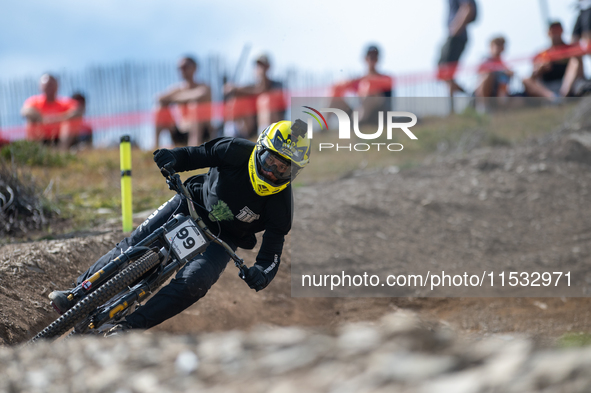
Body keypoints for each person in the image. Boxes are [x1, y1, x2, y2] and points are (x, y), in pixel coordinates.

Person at [48, 120, 311, 333]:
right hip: (191, 203)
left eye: (283, 170)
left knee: (196, 283)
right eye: (269, 162)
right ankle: (77, 294)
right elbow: (197, 154)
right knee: (134, 243)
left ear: (294, 174)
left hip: (223, 238)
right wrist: (171, 158)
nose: (272, 174)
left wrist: (261, 274)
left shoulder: (281, 206)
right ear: (259, 149)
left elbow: (272, 252)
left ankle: (128, 327)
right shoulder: (235, 150)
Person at [155, 56, 212, 148]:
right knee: (160, 108)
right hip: (180, 132)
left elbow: (200, 95)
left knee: (195, 106)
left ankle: (193, 149)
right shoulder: (177, 89)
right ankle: (154, 147)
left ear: (194, 68)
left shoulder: (204, 87)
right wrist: (182, 97)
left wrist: (175, 98)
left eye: (185, 67)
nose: (182, 70)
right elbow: (159, 98)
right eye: (180, 68)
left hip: (203, 133)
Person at [328, 45, 394, 125]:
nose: (372, 60)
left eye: (374, 57)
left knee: (372, 94)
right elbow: (337, 87)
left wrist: (362, 81)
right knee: (335, 99)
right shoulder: (359, 80)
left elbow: (386, 83)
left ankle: (359, 123)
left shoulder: (385, 78)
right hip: (358, 113)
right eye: (370, 57)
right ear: (365, 59)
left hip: (377, 115)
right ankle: (324, 128)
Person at [223, 54, 286, 138]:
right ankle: (230, 134)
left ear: (268, 67)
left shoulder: (277, 85)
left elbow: (262, 91)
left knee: (265, 100)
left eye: (263, 66)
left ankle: (265, 138)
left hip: (273, 125)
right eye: (258, 65)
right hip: (251, 125)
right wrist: (233, 89)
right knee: (236, 101)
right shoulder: (250, 86)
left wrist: (236, 88)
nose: (260, 68)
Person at [523, 22, 582, 100]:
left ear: (562, 31)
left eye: (557, 30)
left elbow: (579, 67)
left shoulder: (570, 49)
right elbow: (533, 76)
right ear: (548, 33)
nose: (555, 34)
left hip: (568, 84)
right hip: (548, 86)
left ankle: (563, 95)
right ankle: (553, 98)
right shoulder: (542, 53)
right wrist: (541, 69)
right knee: (526, 80)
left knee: (575, 61)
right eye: (553, 31)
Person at [20, 74, 83, 148]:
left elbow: (78, 112)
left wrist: (58, 119)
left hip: (62, 137)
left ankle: (62, 151)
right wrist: (42, 119)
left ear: (57, 86)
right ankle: (35, 149)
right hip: (41, 136)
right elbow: (25, 111)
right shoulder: (34, 102)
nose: (49, 88)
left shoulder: (65, 102)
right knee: (31, 121)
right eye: (47, 86)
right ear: (41, 87)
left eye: (51, 85)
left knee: (70, 123)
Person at [437, 0, 478, 96]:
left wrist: (455, 29)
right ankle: (469, 95)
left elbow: (468, 7)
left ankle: (456, 103)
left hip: (457, 36)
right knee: (443, 72)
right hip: (455, 35)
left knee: (447, 72)